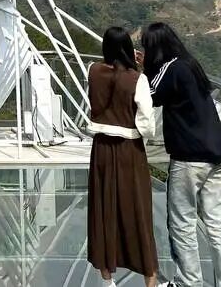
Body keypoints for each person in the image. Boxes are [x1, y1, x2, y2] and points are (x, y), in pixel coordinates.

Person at [141, 22, 221, 287]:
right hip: (217, 153)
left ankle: (189, 282)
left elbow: (149, 96)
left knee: (182, 222)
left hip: (190, 158)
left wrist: (140, 69)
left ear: (154, 48)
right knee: (217, 223)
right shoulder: (190, 65)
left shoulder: (170, 68)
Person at [87, 27, 159, 287]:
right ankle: (149, 278)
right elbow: (147, 123)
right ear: (129, 48)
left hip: (101, 149)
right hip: (129, 151)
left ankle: (108, 280)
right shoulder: (137, 79)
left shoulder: (93, 70)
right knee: (137, 210)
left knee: (104, 209)